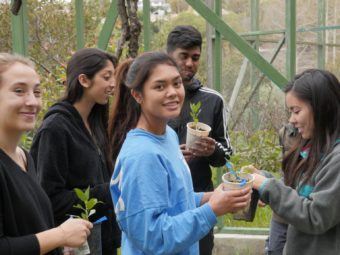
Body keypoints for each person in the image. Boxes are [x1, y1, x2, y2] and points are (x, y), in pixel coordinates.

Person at [108, 51, 251, 255]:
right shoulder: (142, 155)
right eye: (160, 86)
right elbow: (154, 237)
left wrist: (213, 197)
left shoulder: (167, 135)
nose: (173, 92)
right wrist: (212, 210)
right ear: (137, 95)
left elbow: (174, 200)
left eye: (176, 83)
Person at [30, 48, 121, 255]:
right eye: (106, 77)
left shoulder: (96, 123)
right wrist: (109, 190)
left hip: (103, 239)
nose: (113, 84)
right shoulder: (55, 129)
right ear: (84, 80)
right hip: (73, 246)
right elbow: (49, 199)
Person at [0, 53, 92, 255]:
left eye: (37, 92)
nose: (32, 102)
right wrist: (59, 235)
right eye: (19, 91)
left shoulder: (24, 157)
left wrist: (56, 245)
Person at [251, 69, 340, 255]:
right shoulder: (317, 148)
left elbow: (315, 215)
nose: (291, 120)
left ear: (321, 107)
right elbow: (302, 196)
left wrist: (269, 188)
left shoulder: (336, 160)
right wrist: (265, 181)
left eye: (296, 111)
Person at [166, 25, 233, 254]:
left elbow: (226, 154)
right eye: (183, 56)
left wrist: (212, 150)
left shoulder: (212, 100)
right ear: (169, 56)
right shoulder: (153, 99)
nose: (189, 63)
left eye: (195, 58)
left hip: (202, 200)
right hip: (165, 200)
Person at [265, 123, 298, 255]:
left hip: (304, 212)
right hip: (282, 214)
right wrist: (267, 188)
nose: (292, 118)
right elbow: (286, 175)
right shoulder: (284, 133)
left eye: (296, 111)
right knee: (274, 249)